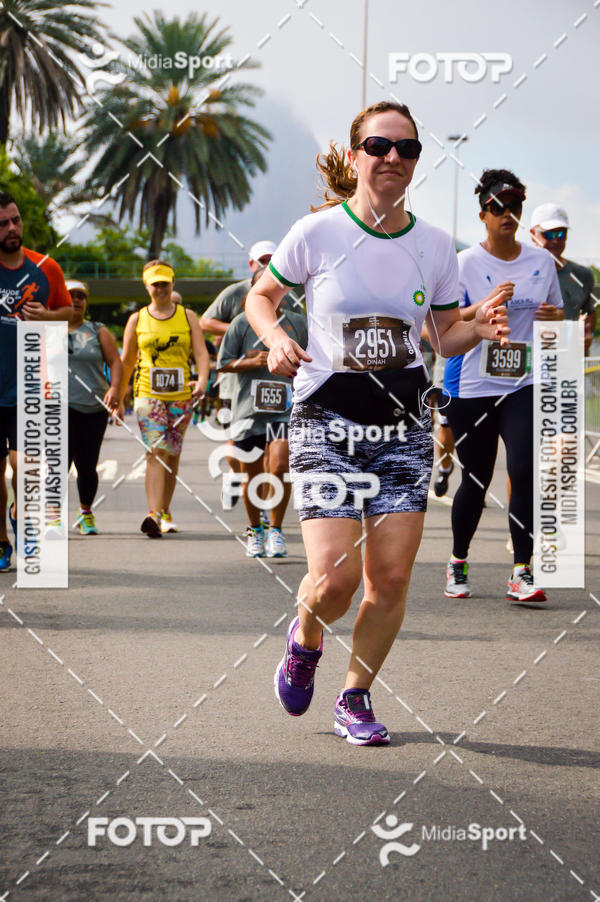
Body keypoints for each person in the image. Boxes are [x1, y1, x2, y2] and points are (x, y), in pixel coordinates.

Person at [245, 101, 509, 745]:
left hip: (402, 426)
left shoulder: (435, 244)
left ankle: (354, 696)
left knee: (388, 579)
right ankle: (305, 639)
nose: (393, 157)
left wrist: (478, 326)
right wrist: (276, 337)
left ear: (417, 160)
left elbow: (444, 336)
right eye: (380, 146)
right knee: (332, 581)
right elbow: (261, 298)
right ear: (357, 153)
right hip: (326, 419)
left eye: (407, 149)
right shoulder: (316, 234)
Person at [443, 170, 563, 604]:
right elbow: (447, 324)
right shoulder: (464, 263)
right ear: (483, 215)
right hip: (473, 387)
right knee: (474, 480)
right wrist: (485, 306)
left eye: (514, 207)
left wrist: (555, 320)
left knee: (524, 472)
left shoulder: (541, 262)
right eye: (498, 208)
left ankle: (522, 572)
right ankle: (458, 562)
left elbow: (555, 315)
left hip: (523, 384)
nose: (507, 215)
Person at [0, 191, 72, 567]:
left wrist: (46, 317)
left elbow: (71, 317)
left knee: (23, 464)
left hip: (29, 385)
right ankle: (1, 540)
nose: (12, 229)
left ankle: (21, 517)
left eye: (16, 220)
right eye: (3, 224)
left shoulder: (47, 268)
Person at [200, 241, 301, 510]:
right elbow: (205, 322)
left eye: (272, 260)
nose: (267, 265)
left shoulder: (287, 296)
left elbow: (299, 331)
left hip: (277, 387)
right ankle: (236, 476)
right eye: (262, 261)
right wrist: (247, 325)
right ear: (251, 264)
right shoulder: (235, 293)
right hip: (237, 385)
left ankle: (269, 511)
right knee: (237, 448)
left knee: (275, 456)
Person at [217, 267, 308, 558]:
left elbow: (312, 360)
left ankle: (276, 530)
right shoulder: (242, 324)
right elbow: (224, 363)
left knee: (280, 467)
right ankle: (254, 529)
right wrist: (251, 361)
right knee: (251, 475)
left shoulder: (297, 323)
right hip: (248, 411)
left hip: (285, 408)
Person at [118, 260, 209, 537]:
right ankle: (153, 514)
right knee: (155, 450)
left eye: (165, 283)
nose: (160, 289)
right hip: (148, 393)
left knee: (172, 453)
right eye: (155, 284)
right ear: (147, 286)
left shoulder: (187, 316)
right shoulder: (137, 319)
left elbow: (202, 353)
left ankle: (165, 510)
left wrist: (203, 379)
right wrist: (119, 396)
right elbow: (128, 360)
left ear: (172, 284)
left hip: (181, 396)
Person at [66, 280, 121, 534]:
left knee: (87, 466)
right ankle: (54, 517)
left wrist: (115, 389)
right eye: (70, 295)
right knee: (58, 463)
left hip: (93, 409)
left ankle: (86, 513)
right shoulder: (47, 329)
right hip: (59, 407)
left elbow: (115, 362)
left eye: (81, 296)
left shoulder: (98, 330)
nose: (76, 300)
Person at [530, 203, 596, 353]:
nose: (556, 240)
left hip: (566, 361)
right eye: (549, 234)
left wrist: (587, 334)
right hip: (529, 360)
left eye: (561, 234)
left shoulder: (583, 275)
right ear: (533, 234)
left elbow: (589, 313)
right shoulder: (516, 271)